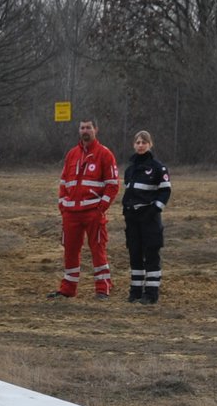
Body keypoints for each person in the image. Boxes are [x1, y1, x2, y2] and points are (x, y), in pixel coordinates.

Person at [48, 118, 119, 300]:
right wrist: (63, 204)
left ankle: (103, 288)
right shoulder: (72, 154)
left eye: (88, 127)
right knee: (70, 251)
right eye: (82, 128)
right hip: (71, 213)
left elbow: (112, 185)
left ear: (96, 129)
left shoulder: (105, 154)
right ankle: (67, 289)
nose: (85, 130)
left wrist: (100, 208)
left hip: (92, 213)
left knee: (98, 249)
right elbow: (64, 182)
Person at [120, 129, 170, 304]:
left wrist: (154, 210)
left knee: (151, 255)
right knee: (134, 253)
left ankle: (151, 293)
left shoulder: (158, 168)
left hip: (149, 218)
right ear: (134, 145)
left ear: (150, 144)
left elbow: (165, 191)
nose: (140, 145)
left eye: (144, 142)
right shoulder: (130, 169)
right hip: (132, 218)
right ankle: (135, 292)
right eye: (138, 142)